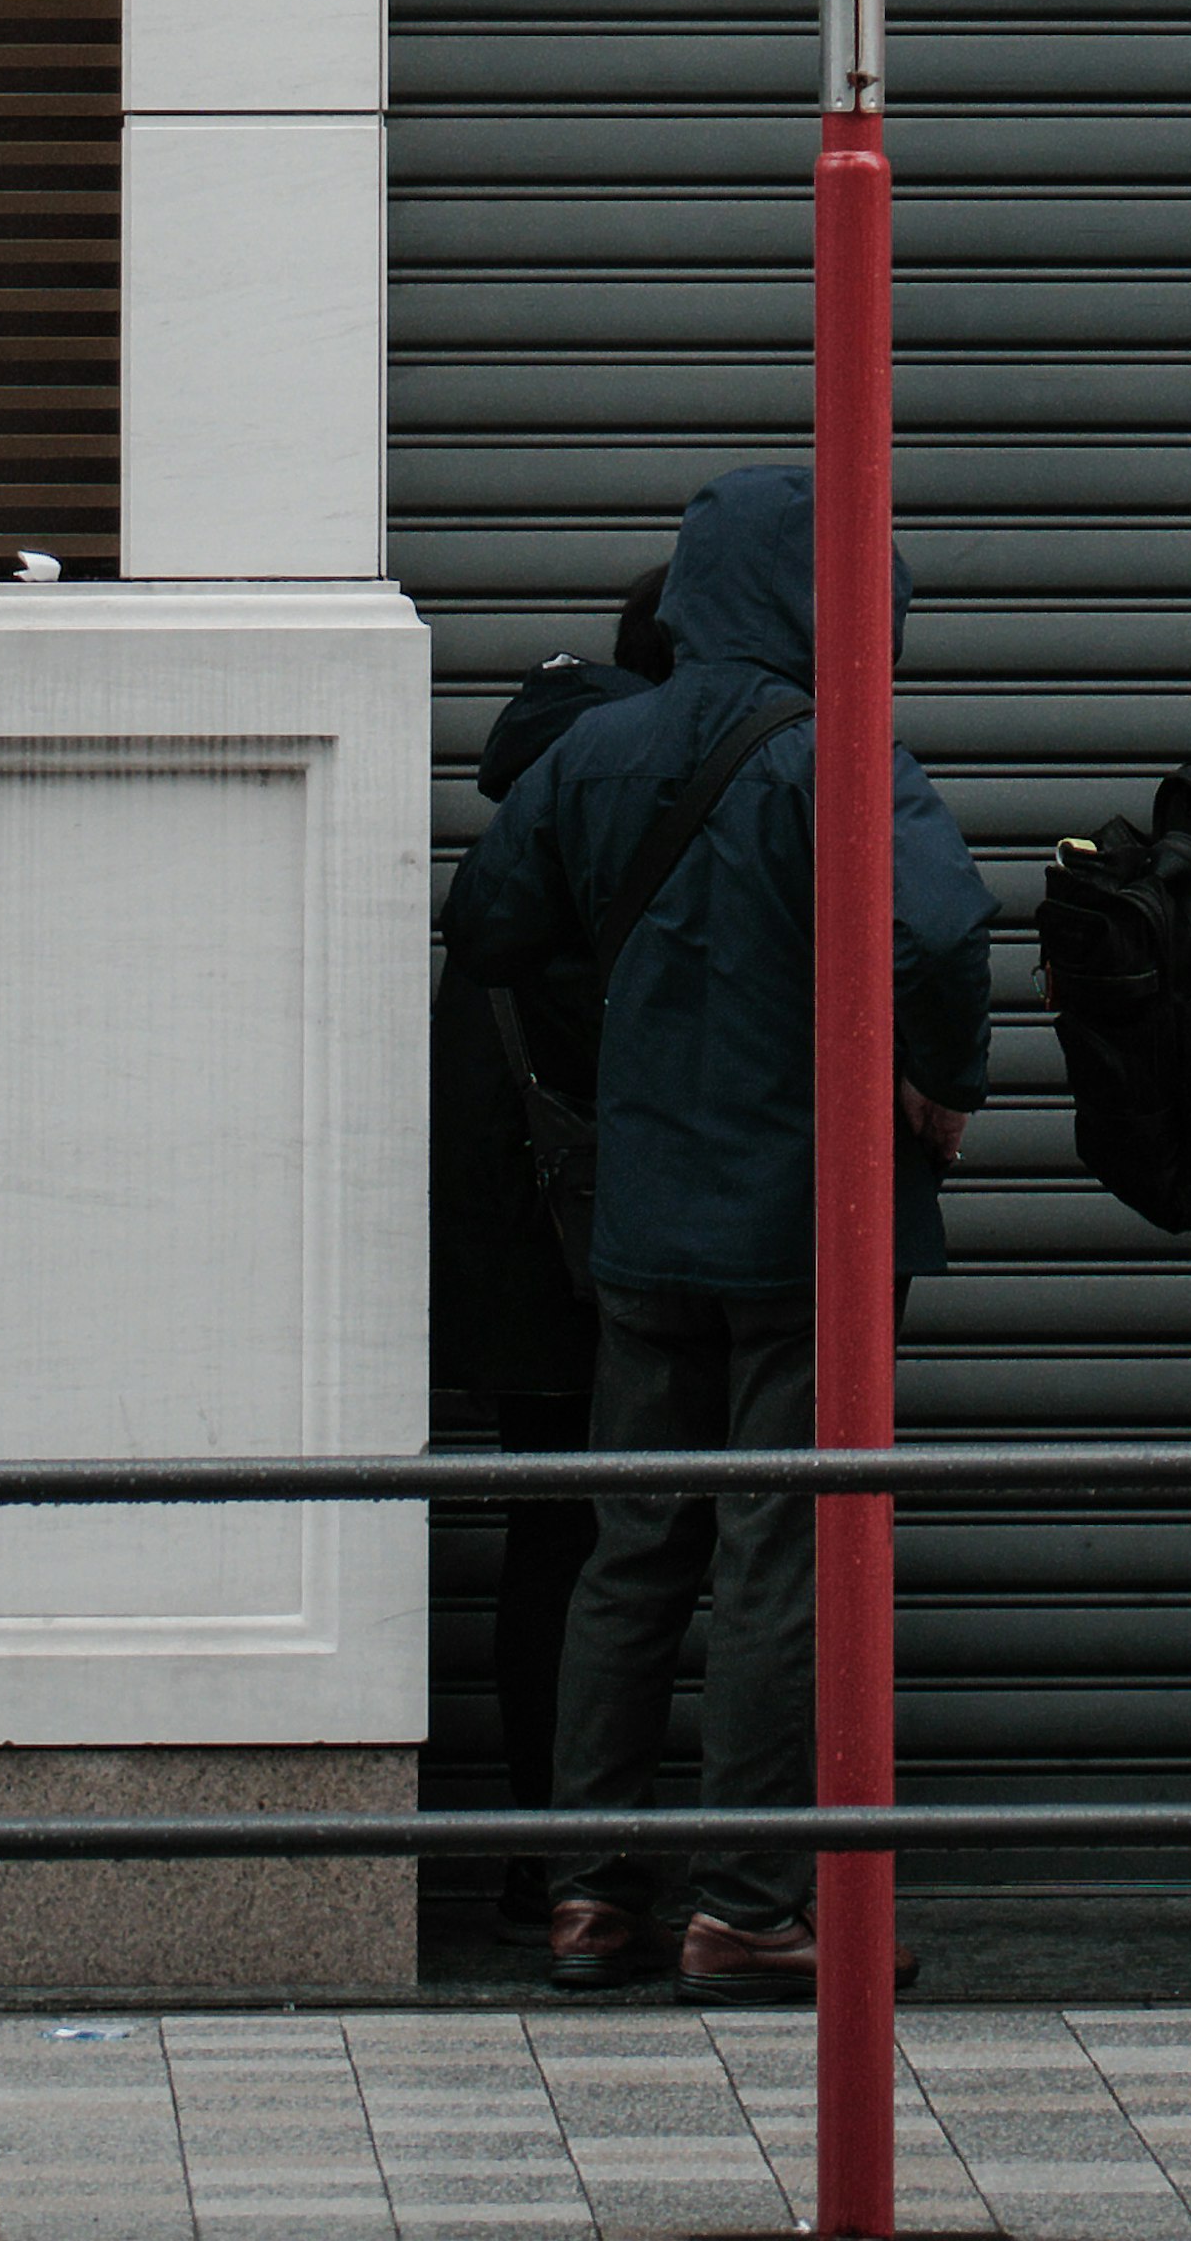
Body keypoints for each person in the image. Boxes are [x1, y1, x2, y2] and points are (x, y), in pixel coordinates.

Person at [443, 460, 995, 2006]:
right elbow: (943, 931)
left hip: (643, 1221)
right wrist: (939, 1081)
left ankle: (589, 1899)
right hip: (809, 1223)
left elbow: (487, 921)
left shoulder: (601, 749)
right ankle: (749, 1906)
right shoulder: (841, 757)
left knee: (630, 1555)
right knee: (778, 1556)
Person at [426, 567, 672, 1930]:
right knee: (621, 1546)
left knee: (555, 1533)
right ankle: (581, 1859)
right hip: (601, 1240)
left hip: (513, 1237)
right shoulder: (625, 798)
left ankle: (554, 1855)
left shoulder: (538, 789)